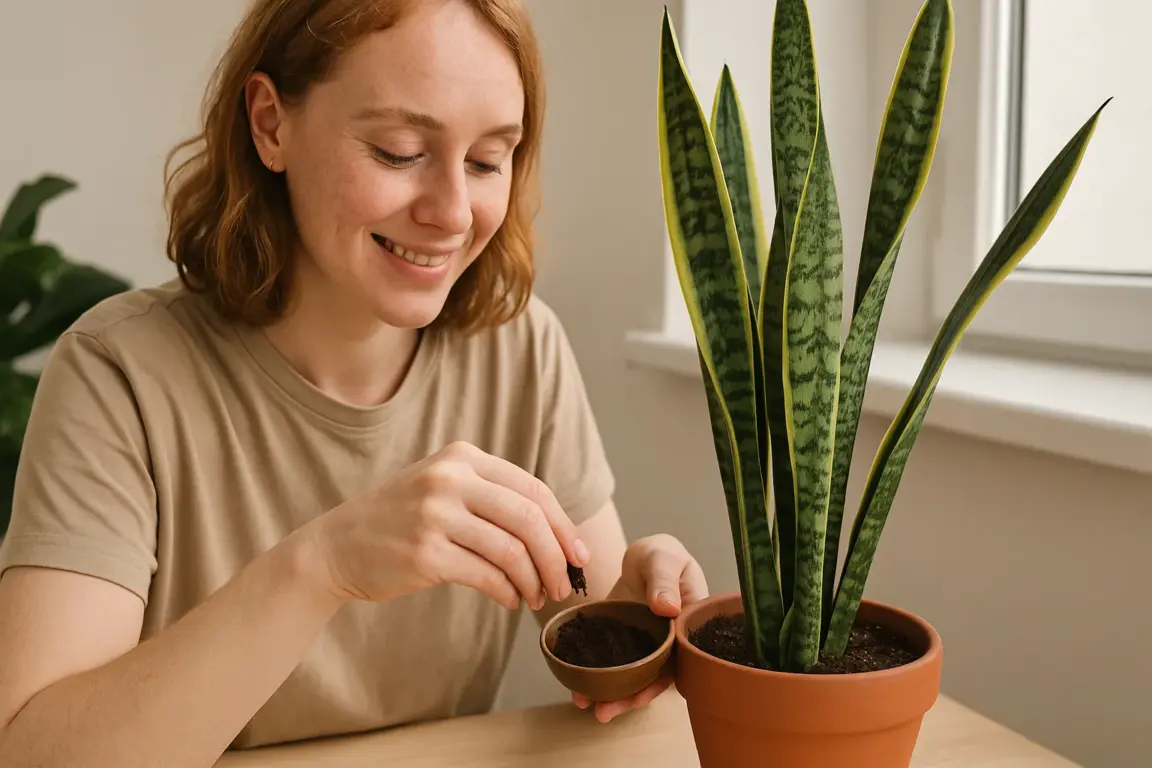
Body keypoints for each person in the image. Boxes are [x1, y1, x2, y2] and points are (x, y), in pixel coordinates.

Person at [0, 0, 710, 764]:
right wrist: (325, 566)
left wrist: (645, 616)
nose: (452, 213)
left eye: (485, 162)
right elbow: (36, 750)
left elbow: (603, 647)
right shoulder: (119, 374)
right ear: (271, 124)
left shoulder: (521, 348)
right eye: (400, 151)